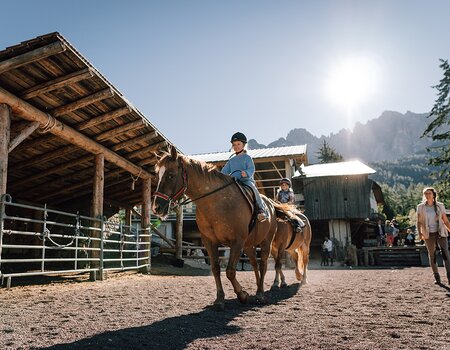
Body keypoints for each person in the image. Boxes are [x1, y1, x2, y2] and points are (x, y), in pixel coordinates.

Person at [221, 132, 268, 222]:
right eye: (234, 144)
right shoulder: (231, 160)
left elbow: (251, 169)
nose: (236, 146)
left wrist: (246, 173)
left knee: (253, 188)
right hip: (234, 182)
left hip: (246, 181)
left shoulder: (247, 158)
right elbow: (224, 171)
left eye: (238, 144)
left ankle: (261, 210)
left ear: (243, 145)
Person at [416, 187, 450, 285]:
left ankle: (449, 277)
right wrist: (419, 233)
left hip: (440, 233)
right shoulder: (420, 207)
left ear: (433, 195)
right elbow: (418, 222)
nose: (427, 195)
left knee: (446, 254)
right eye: (425, 193)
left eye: (429, 193)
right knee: (432, 255)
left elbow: (445, 220)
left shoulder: (440, 206)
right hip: (428, 234)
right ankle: (436, 277)